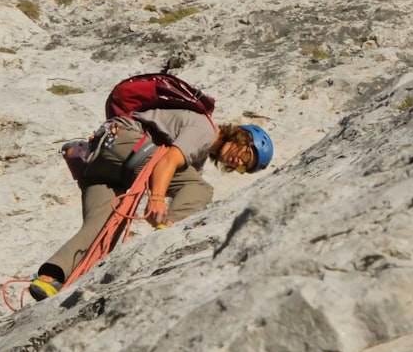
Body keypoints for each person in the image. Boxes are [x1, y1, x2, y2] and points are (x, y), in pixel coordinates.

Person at [29, 108, 273, 300]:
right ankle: (170, 231)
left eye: (243, 166)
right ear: (244, 137)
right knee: (201, 188)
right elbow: (166, 161)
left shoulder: (197, 159)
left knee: (103, 231)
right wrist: (157, 201)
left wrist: (156, 202)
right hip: (125, 144)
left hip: (101, 164)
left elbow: (170, 173)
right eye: (246, 155)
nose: (238, 160)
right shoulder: (205, 130)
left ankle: (50, 278)